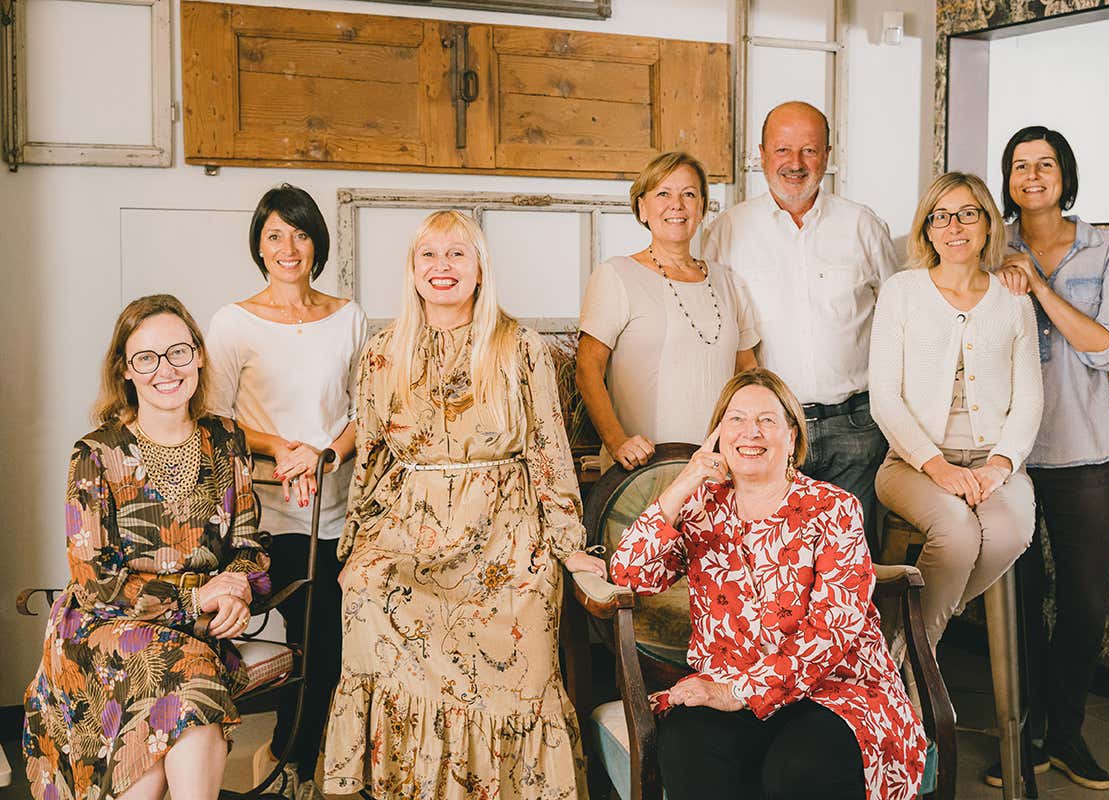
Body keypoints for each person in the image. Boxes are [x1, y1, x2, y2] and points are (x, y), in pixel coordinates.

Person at [321, 210, 606, 800]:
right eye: (429, 255)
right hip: (408, 530)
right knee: (365, 592)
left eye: (458, 254)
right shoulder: (382, 353)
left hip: (502, 536)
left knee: (522, 613)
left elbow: (550, 454)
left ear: (480, 269)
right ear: (412, 269)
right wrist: (356, 546)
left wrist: (569, 548)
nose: (442, 267)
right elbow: (372, 458)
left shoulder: (521, 348)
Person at [610, 368, 926, 800]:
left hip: (832, 690)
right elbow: (630, 572)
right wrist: (685, 482)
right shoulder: (702, 509)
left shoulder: (833, 510)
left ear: (792, 436)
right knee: (687, 747)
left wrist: (737, 691)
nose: (749, 432)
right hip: (724, 682)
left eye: (766, 420)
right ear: (718, 436)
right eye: (735, 419)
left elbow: (831, 632)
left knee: (795, 771)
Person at [23, 294, 270, 800]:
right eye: (146, 358)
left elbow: (249, 545)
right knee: (193, 686)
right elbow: (95, 581)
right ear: (125, 371)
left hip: (192, 630)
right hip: (103, 628)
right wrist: (196, 599)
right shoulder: (96, 454)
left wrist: (236, 590)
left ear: (199, 355)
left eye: (179, 352)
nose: (166, 370)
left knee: (178, 696)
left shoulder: (226, 440)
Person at [982, 126, 1109, 791]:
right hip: (1007, 455)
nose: (1033, 174)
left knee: (1084, 598)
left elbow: (1106, 347)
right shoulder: (989, 246)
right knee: (1015, 601)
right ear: (1008, 179)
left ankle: (1066, 730)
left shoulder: (1107, 249)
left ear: (1065, 175)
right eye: (1021, 165)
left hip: (1080, 450)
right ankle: (1025, 736)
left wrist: (1041, 289)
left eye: (1046, 164)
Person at [206, 183, 367, 794]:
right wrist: (281, 450)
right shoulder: (233, 322)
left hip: (344, 507)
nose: (288, 247)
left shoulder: (347, 315)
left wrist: (324, 454)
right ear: (259, 245)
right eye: (275, 235)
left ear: (317, 242)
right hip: (270, 513)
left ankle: (301, 760)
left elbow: (366, 410)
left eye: (300, 234)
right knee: (316, 641)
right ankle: (293, 762)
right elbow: (217, 425)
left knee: (338, 647)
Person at [703, 101, 898, 552]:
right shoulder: (727, 231)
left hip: (857, 428)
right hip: (768, 433)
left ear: (827, 155)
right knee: (774, 565)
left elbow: (900, 315)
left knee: (851, 566)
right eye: (783, 149)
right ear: (762, 153)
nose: (795, 164)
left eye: (808, 150)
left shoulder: (863, 226)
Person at [870, 172, 1043, 659]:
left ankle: (900, 652)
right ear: (927, 230)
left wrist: (1000, 466)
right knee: (958, 532)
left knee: (1011, 532)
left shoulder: (1013, 301)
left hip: (994, 464)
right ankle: (909, 666)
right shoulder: (902, 291)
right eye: (940, 217)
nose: (955, 226)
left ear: (988, 224)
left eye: (968, 213)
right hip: (911, 465)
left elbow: (1029, 400)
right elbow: (884, 396)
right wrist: (937, 466)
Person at [577, 150, 758, 471]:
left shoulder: (728, 281)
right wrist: (617, 441)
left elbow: (748, 373)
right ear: (642, 208)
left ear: (701, 207)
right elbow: (587, 368)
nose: (677, 204)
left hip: (718, 465)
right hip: (642, 468)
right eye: (663, 193)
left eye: (688, 194)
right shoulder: (616, 274)